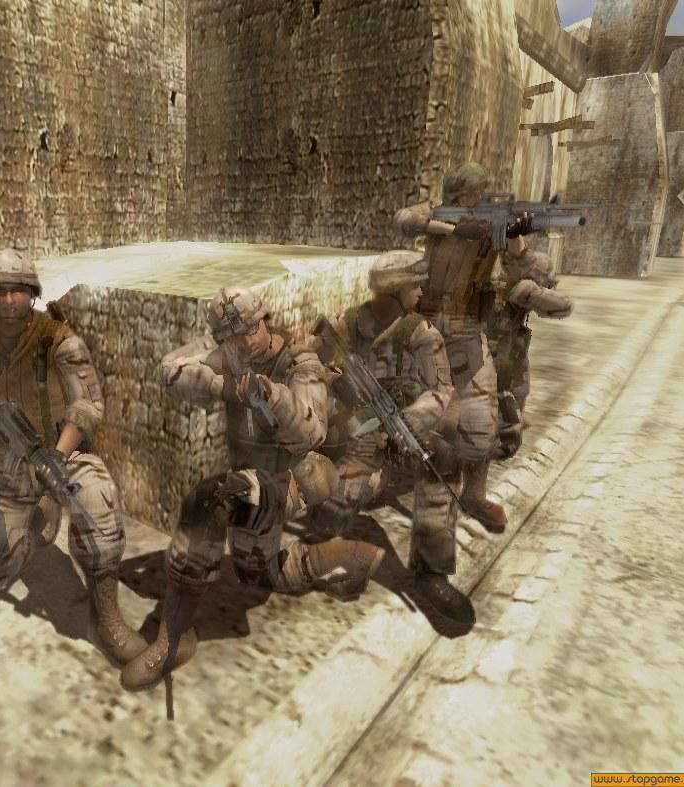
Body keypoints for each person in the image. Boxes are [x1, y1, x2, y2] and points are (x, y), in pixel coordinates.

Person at [120, 286, 385, 691]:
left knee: (209, 502)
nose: (244, 342)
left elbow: (313, 432)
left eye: (250, 330)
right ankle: (353, 554)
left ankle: (172, 637)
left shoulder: (300, 363)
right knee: (261, 574)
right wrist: (225, 387)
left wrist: (272, 396)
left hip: (293, 481)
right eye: (232, 337)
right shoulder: (231, 354)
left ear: (264, 320)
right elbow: (169, 369)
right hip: (252, 479)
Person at [0, 248, 147, 664]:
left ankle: (106, 620)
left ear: (31, 292)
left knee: (96, 500)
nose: (10, 300)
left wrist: (58, 458)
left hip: (61, 455)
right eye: (1, 291)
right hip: (10, 469)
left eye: (18, 290)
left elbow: (88, 406)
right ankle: (37, 527)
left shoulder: (59, 342)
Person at [311, 251, 469, 619]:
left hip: (399, 433)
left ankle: (432, 574)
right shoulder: (348, 323)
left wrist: (407, 423)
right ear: (395, 289)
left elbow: (441, 391)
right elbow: (308, 361)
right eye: (415, 286)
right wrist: (335, 383)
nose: (420, 293)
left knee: (442, 458)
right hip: (353, 435)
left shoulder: (420, 333)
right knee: (329, 516)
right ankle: (349, 551)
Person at [394, 162, 541, 534]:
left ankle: (474, 494)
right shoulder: (438, 212)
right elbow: (404, 219)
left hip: (467, 328)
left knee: (480, 414)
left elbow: (523, 270)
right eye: (463, 195)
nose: (470, 199)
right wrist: (454, 228)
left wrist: (514, 237)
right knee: (416, 407)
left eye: (474, 194)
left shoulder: (495, 222)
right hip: (425, 325)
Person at [488, 244, 574, 459]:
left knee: (506, 440)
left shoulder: (522, 272)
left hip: (505, 362)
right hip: (477, 362)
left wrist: (528, 292)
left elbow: (562, 306)